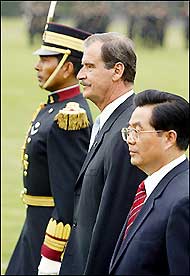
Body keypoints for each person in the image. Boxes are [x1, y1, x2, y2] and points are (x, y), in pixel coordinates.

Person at [5, 22, 93, 275]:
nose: (37, 66)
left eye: (45, 59)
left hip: (48, 230)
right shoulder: (53, 108)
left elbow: (67, 198)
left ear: (67, 67)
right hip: (35, 224)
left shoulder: (69, 117)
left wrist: (53, 253)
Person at [59, 32, 147, 275]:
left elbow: (114, 220)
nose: (80, 75)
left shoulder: (127, 130)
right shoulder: (109, 121)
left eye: (89, 66)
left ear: (117, 71)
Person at [109, 89, 189, 275]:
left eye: (137, 131)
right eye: (128, 131)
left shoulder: (183, 201)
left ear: (170, 138)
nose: (130, 139)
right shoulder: (150, 188)